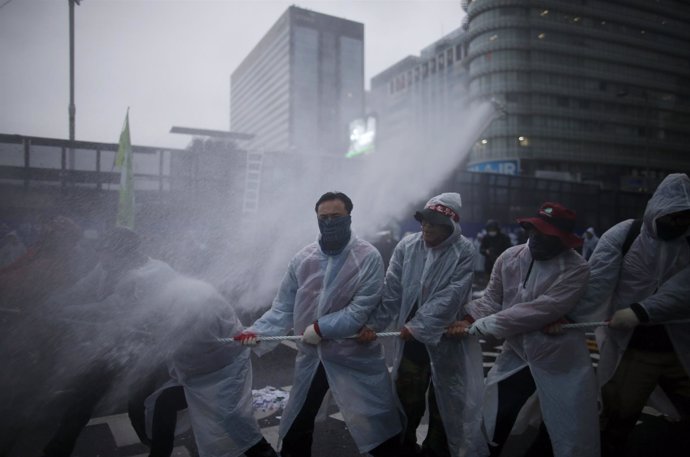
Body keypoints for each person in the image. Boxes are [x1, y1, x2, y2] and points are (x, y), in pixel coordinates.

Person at [35, 226, 277, 457]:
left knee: (142, 403)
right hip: (126, 342)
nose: (100, 258)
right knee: (90, 393)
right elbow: (83, 289)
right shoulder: (108, 266)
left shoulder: (151, 275)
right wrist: (54, 303)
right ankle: (61, 448)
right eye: (100, 252)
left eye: (105, 253)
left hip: (155, 346)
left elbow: (108, 310)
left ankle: (152, 443)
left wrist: (64, 310)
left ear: (124, 255)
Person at [235, 191, 403, 457]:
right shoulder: (304, 259)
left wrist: (320, 328)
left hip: (353, 355)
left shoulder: (367, 257)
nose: (329, 222)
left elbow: (360, 310)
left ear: (349, 217)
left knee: (378, 420)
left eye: (336, 216)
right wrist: (257, 332)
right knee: (298, 421)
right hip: (314, 357)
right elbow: (283, 308)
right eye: (323, 217)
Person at [449, 202, 600, 457]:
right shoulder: (510, 257)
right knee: (495, 412)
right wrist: (469, 318)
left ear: (563, 239)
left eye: (547, 235)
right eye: (534, 231)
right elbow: (491, 299)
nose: (537, 239)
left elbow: (543, 309)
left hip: (559, 357)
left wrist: (489, 324)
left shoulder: (576, 269)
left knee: (564, 425)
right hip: (517, 352)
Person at [359, 192, 487, 457]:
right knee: (407, 399)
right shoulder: (408, 246)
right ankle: (403, 449)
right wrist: (374, 324)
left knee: (446, 402)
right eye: (424, 220)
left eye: (433, 222)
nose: (426, 226)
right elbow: (392, 289)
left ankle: (436, 451)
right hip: (412, 341)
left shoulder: (463, 250)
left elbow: (453, 293)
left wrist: (420, 323)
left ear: (449, 225)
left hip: (447, 337)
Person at [574, 173, 690, 456]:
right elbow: (596, 286)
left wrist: (640, 310)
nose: (677, 224)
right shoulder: (624, 235)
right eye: (673, 216)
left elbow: (684, 291)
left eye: (684, 217)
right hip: (633, 348)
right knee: (616, 414)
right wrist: (568, 320)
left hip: (682, 346)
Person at [479, 219, 512, 285]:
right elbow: (481, 249)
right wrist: (486, 251)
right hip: (489, 264)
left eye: (493, 230)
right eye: (490, 230)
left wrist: (502, 255)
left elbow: (510, 249)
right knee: (489, 282)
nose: (492, 231)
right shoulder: (486, 237)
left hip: (502, 262)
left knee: (501, 281)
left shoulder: (504, 237)